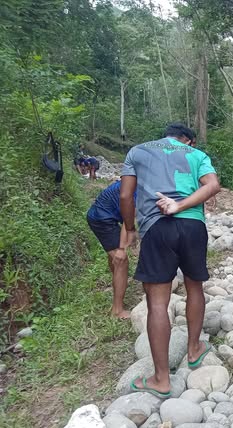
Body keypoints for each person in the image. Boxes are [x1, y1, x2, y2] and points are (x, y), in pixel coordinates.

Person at [120, 123, 220, 398]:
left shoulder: (137, 151)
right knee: (194, 287)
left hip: (156, 227)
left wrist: (129, 228)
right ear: (188, 140)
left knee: (157, 302)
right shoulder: (196, 154)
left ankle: (161, 379)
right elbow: (213, 185)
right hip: (193, 226)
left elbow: (126, 195)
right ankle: (194, 349)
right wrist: (181, 205)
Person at [87, 180, 134, 319]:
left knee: (115, 256)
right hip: (102, 219)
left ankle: (117, 283)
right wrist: (122, 248)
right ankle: (117, 310)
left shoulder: (134, 180)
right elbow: (128, 220)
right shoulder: (138, 188)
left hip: (104, 215)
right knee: (121, 260)